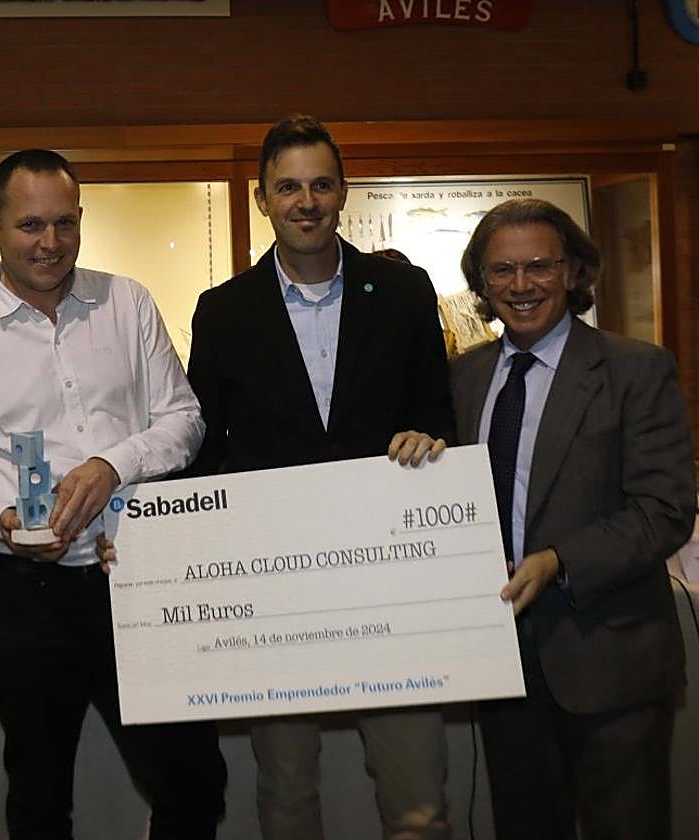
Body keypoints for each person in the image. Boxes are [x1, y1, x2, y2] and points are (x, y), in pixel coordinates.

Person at [0, 148, 227, 839]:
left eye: (64, 223)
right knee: (39, 797)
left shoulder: (128, 302)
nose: (49, 243)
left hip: (141, 578)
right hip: (26, 596)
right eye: (29, 225)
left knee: (193, 780)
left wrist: (113, 464)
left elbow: (184, 420)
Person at [184, 115, 454, 840]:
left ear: (344, 192)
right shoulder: (223, 311)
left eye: (321, 185)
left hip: (393, 580)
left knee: (419, 804)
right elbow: (201, 454)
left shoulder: (403, 292)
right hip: (277, 592)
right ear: (262, 199)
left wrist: (430, 439)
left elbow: (438, 414)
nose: (306, 202)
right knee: (287, 795)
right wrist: (160, 542)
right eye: (288, 187)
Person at [451, 198, 695, 840]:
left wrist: (559, 561)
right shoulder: (463, 378)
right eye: (502, 270)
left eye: (539, 266)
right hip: (502, 664)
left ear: (573, 271)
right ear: (482, 282)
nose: (522, 285)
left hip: (610, 659)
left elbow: (665, 509)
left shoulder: (636, 369)